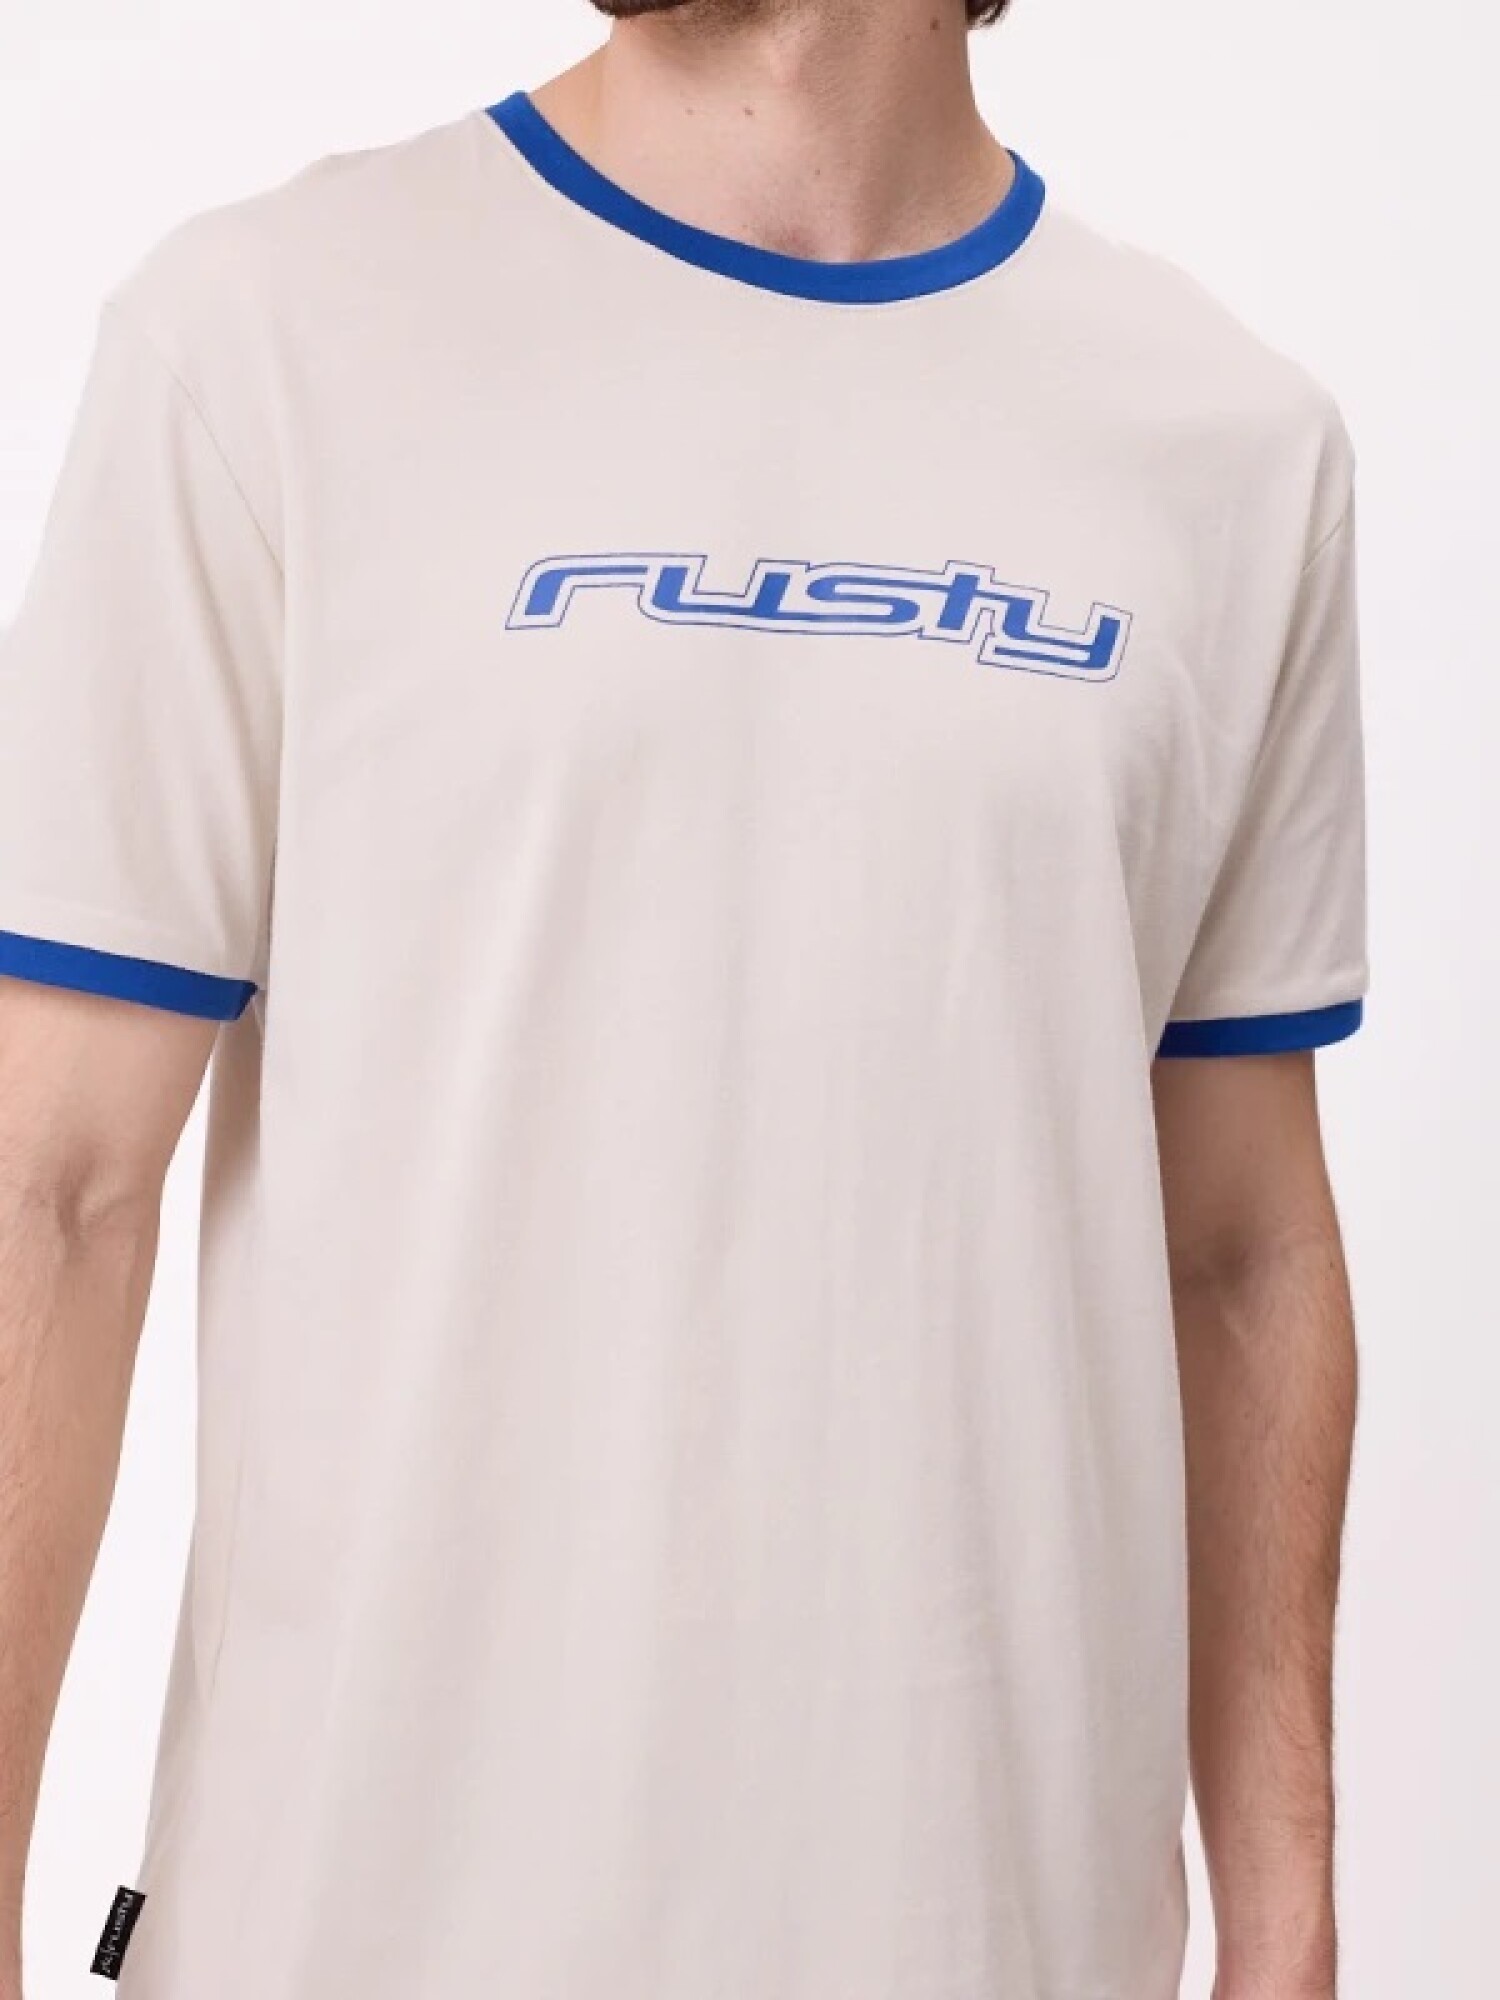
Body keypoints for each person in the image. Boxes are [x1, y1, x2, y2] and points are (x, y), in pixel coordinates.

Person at [0, 3, 1367, 1997]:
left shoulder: (1229, 443)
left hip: (995, 1941)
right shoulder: (266, 336)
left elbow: (1239, 1250)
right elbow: (51, 1187)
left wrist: (1292, 1918)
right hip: (362, 1932)